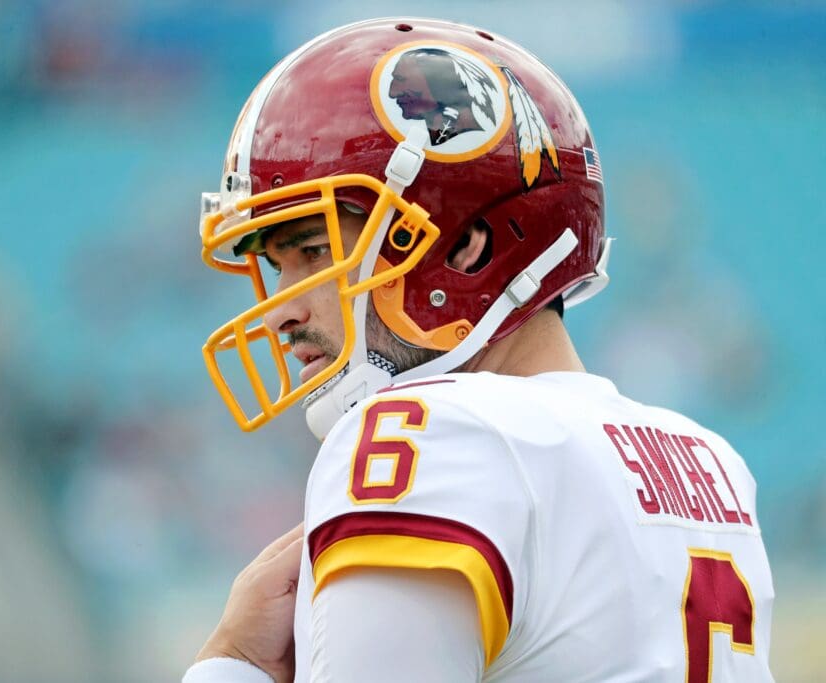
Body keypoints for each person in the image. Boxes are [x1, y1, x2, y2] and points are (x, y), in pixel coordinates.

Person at [185, 17, 774, 683]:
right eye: (279, 262)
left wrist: (229, 666)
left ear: (467, 244)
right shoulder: (706, 463)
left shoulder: (424, 438)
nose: (283, 309)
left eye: (315, 250)